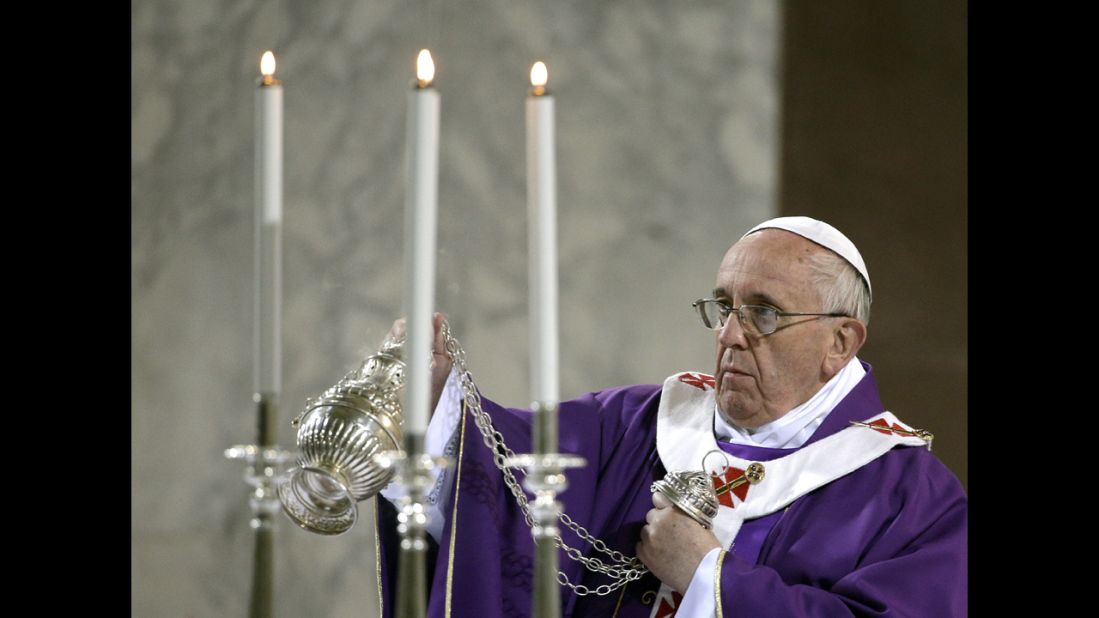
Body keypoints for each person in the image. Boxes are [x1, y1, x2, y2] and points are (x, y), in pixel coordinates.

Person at [375, 216, 967, 617]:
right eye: (723, 307)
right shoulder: (638, 422)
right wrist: (438, 410)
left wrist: (709, 576)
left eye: (764, 313)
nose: (730, 335)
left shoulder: (911, 500)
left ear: (840, 342)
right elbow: (505, 479)